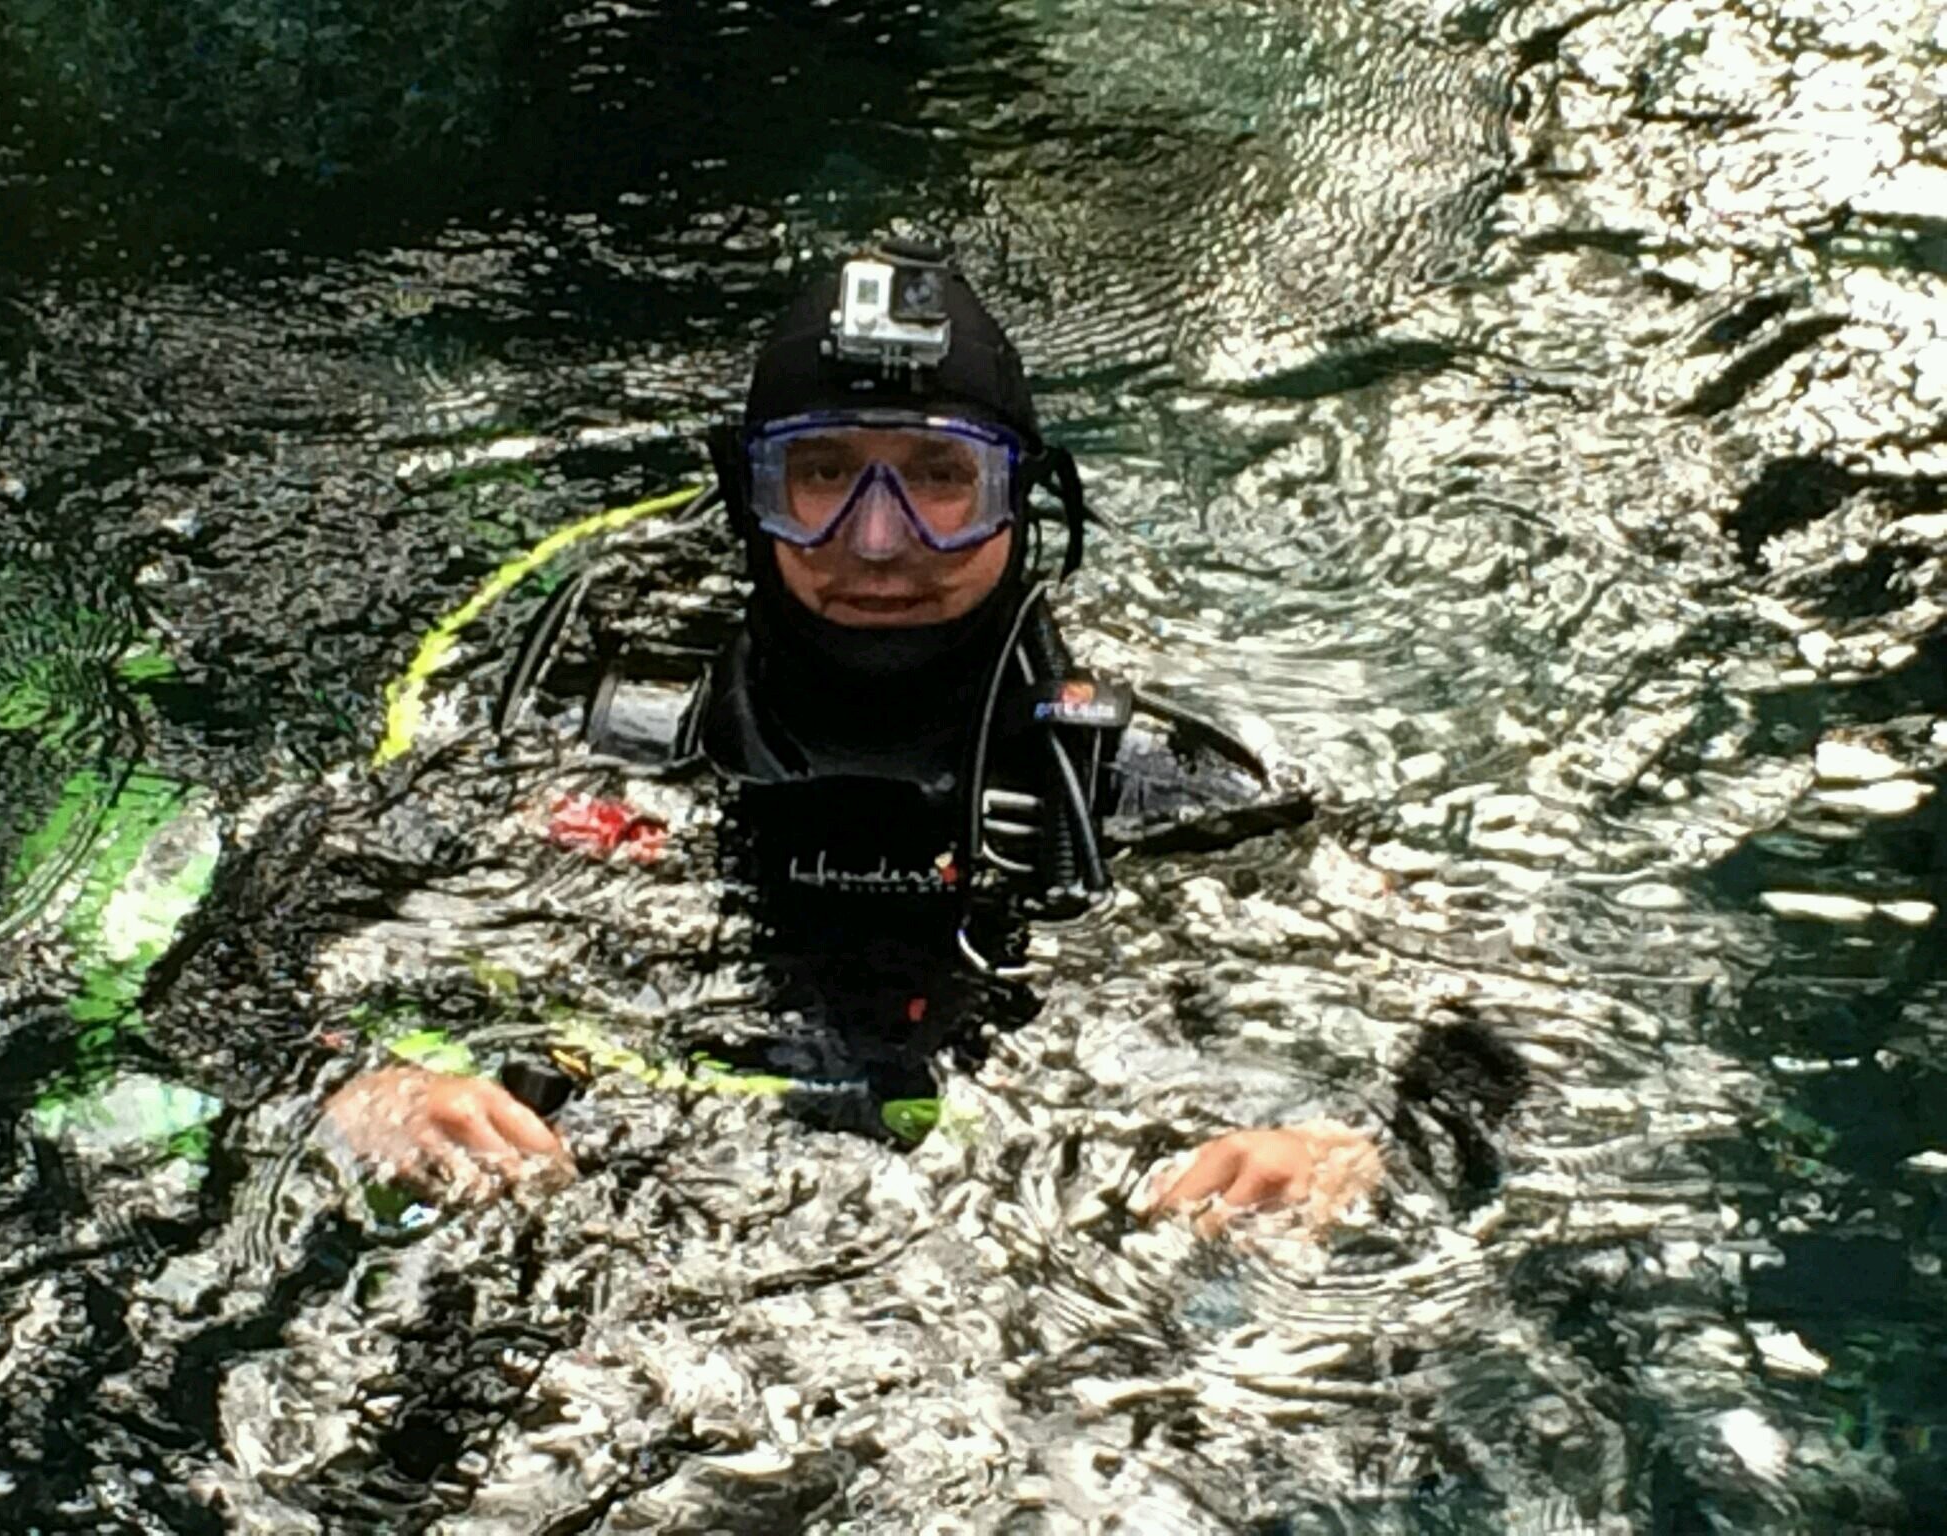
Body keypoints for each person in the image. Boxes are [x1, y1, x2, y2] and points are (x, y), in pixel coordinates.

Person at [324, 242, 1381, 1232]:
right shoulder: (585, 716)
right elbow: (286, 949)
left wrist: (1331, 1136)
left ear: (1020, 500)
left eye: (937, 477)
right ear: (749, 495)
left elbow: (1438, 1014)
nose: (878, 543)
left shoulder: (1143, 771)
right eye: (823, 475)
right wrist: (375, 1084)